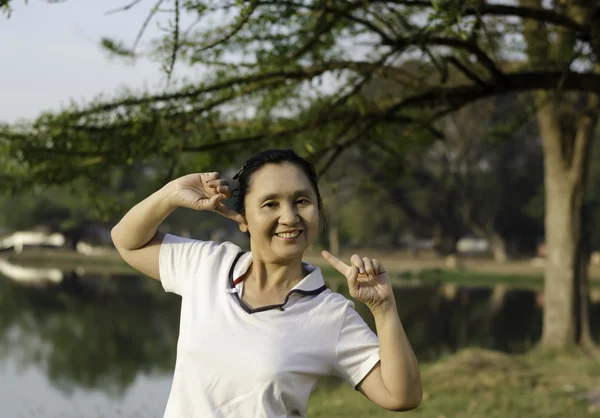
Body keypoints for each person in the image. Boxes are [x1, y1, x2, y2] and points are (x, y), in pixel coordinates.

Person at [111, 149, 422, 417]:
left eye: (301, 201)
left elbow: (401, 396)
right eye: (270, 204)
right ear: (243, 218)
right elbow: (126, 241)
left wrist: (383, 308)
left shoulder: (330, 315)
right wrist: (171, 194)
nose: (289, 216)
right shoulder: (207, 266)